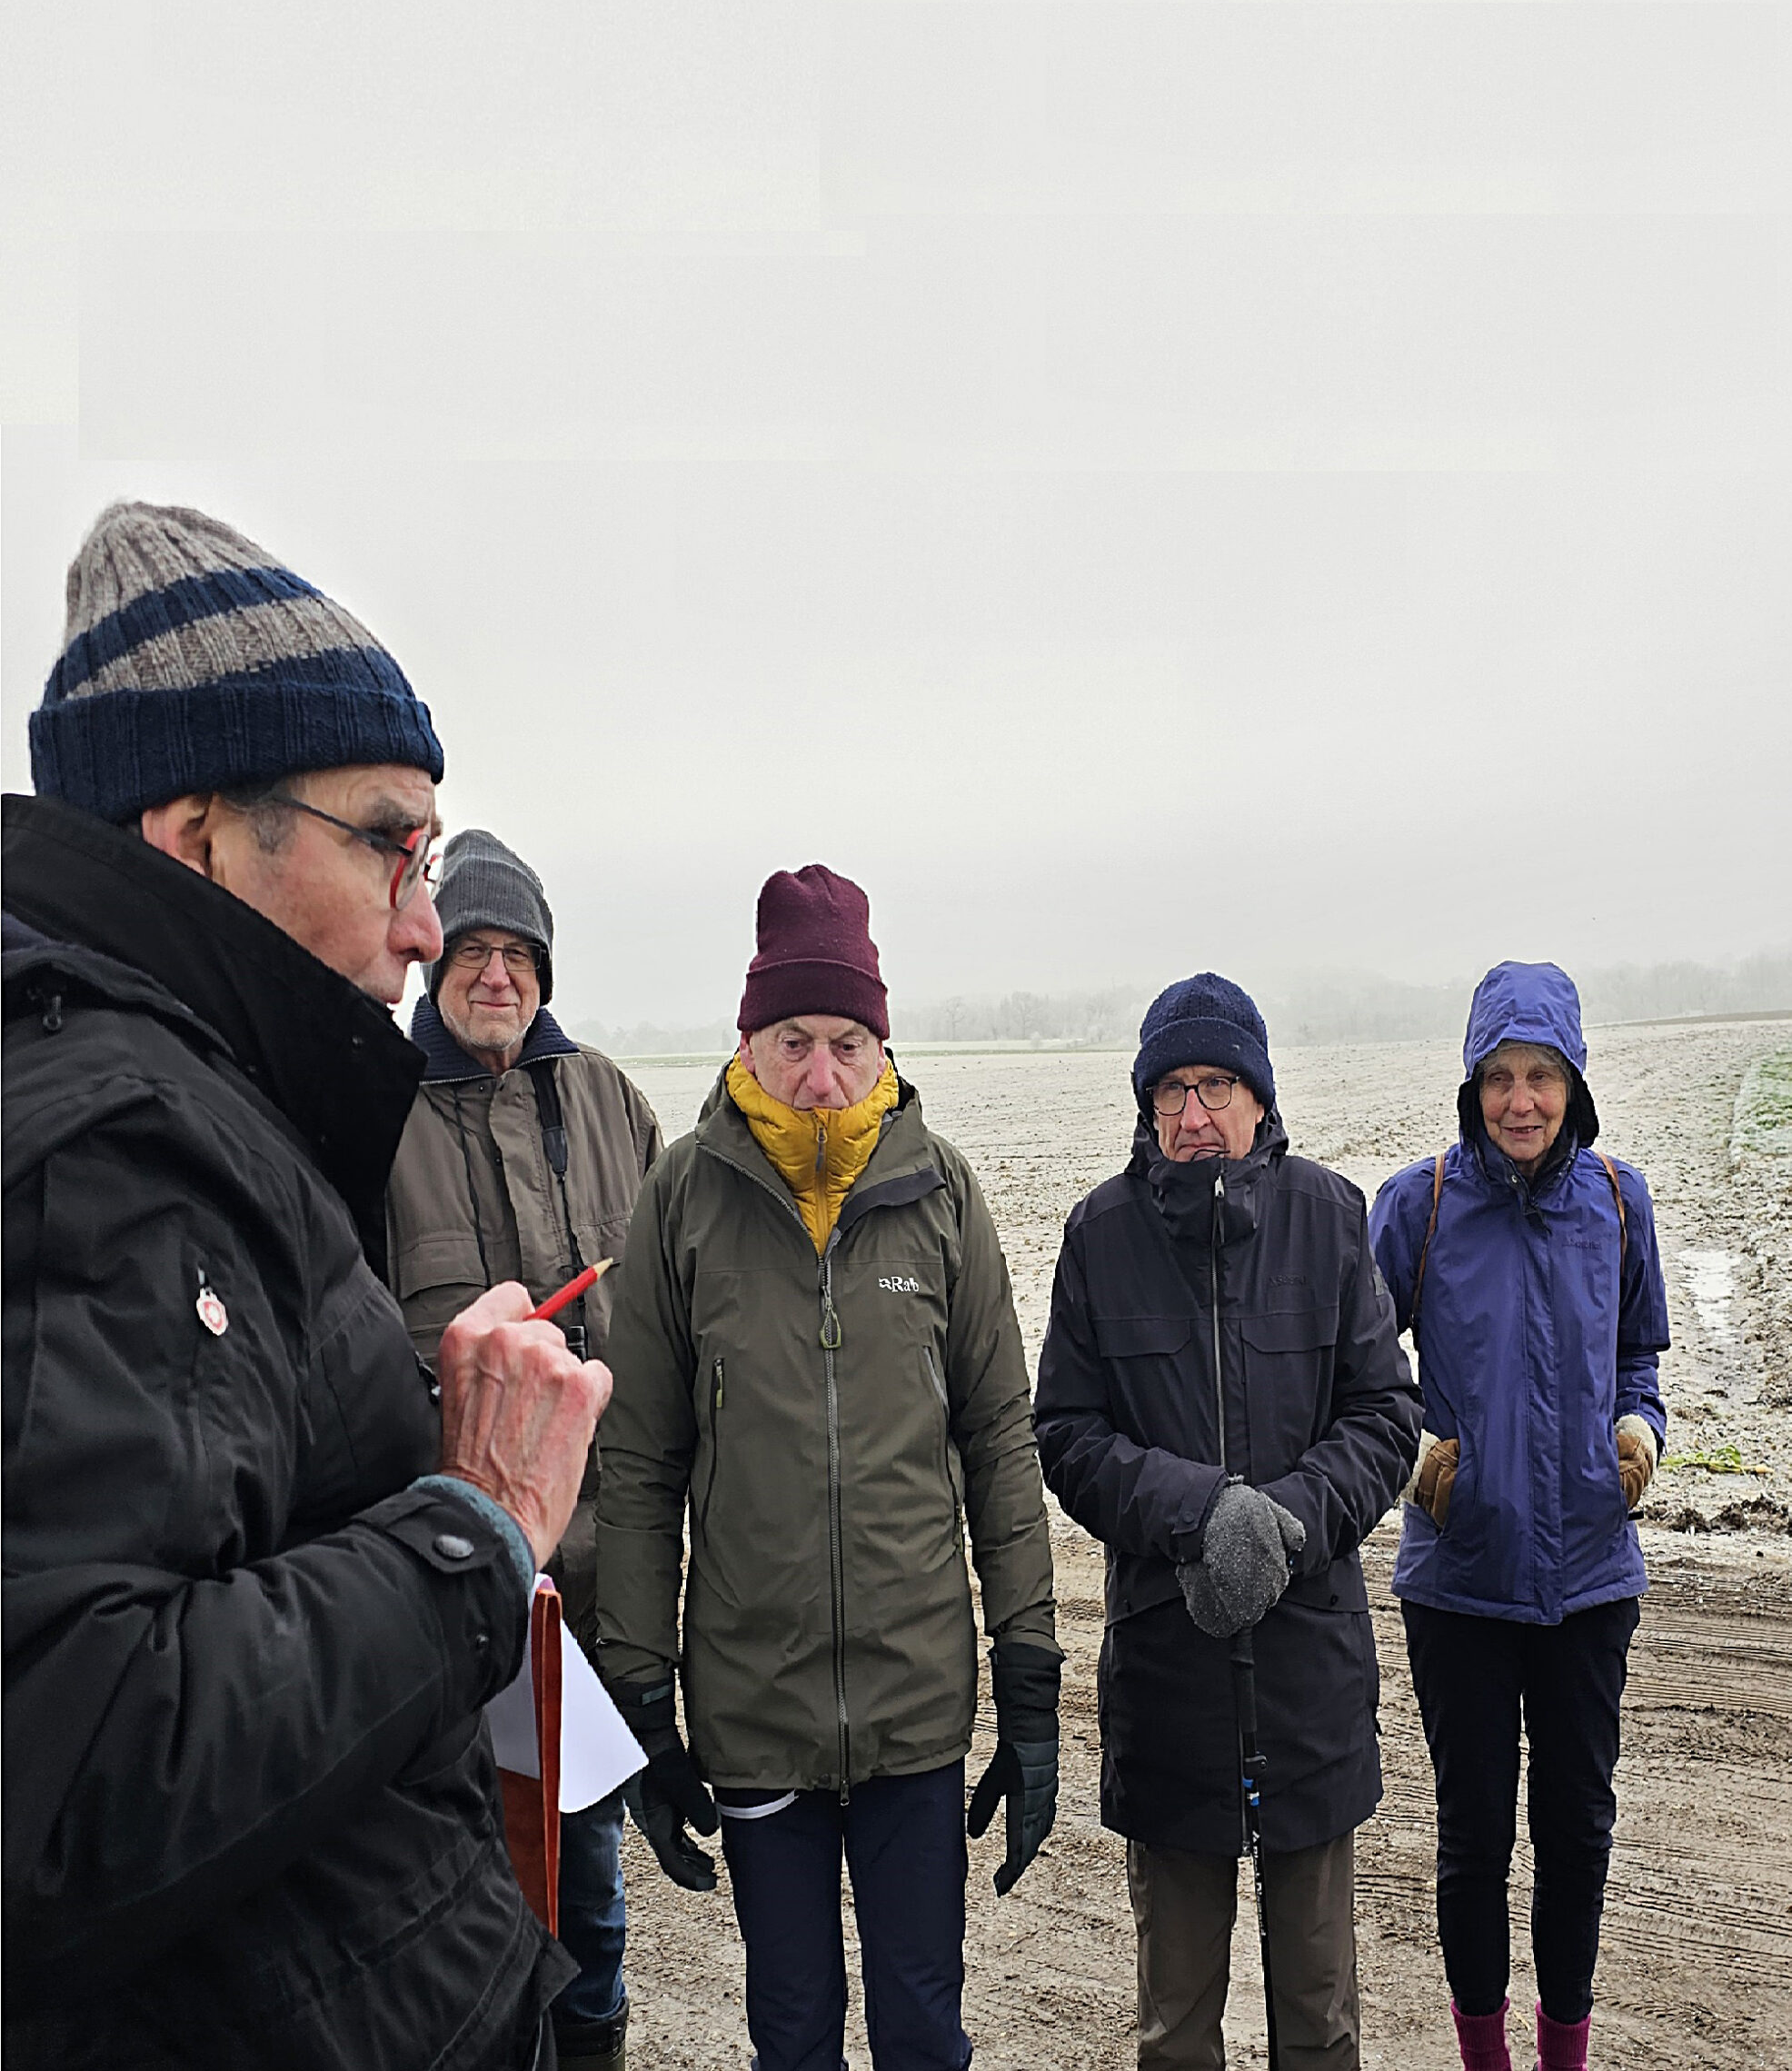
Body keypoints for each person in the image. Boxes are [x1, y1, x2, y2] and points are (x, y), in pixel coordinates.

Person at [3, 501, 607, 2069]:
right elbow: (64, 1776)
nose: (425, 922)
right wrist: (469, 1526)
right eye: (391, 843)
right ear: (197, 833)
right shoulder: (118, 1142)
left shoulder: (199, 1101)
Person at [595, 864, 1060, 2071]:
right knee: (792, 2032)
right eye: (792, 1041)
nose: (818, 1075)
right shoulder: (681, 1202)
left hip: (913, 1706)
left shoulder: (942, 1195)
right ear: (747, 1042)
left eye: (846, 1043)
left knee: (920, 2028)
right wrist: (642, 1691)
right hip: (753, 1706)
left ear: (881, 1047)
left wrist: (1030, 1677)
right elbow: (640, 1463)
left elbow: (1002, 1440)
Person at [1035, 972, 1421, 2071]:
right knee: (1174, 2028)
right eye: (1171, 1090)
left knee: (1319, 2019)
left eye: (1215, 1085)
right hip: (1169, 1689)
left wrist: (1288, 1520)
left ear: (1258, 1097)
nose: (1193, 1115)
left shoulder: (1329, 1218)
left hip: (1309, 1684)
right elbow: (1065, 1429)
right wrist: (1199, 1510)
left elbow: (1385, 1415)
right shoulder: (1100, 1236)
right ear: (1147, 1105)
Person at [386, 827, 667, 2070]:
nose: (496, 974)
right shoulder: (368, 1109)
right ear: (435, 959)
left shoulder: (609, 1100)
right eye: (473, 949)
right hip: (447, 1582)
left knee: (589, 1894)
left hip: (606, 1585)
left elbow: (676, 1316)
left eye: (519, 953)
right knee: (464, 1899)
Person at [1368, 961, 1669, 2071]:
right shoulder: (1421, 1202)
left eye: (1541, 1075)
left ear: (1575, 1082)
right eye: (1499, 1077)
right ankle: (1484, 2057)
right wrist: (1412, 1456)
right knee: (1473, 1839)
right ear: (1471, 1085)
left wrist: (1638, 1435)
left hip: (1591, 1576)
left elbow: (1638, 1360)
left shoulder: (1621, 1203)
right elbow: (1358, 1369)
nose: (1521, 1101)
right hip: (1460, 1581)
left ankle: (1563, 2056)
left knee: (1578, 1834)